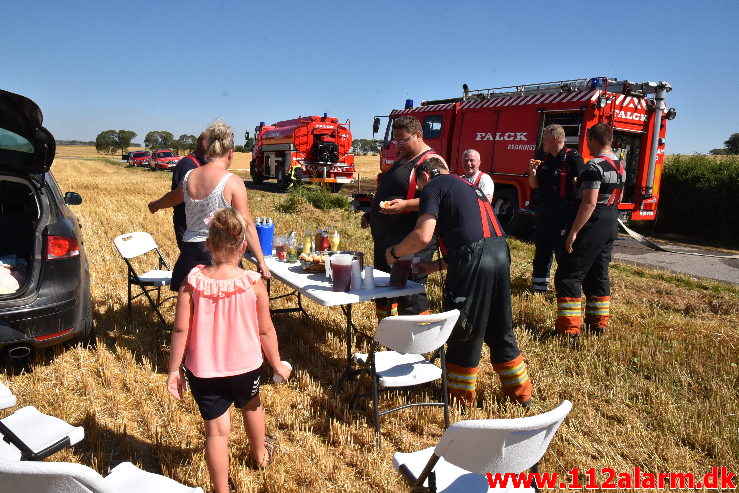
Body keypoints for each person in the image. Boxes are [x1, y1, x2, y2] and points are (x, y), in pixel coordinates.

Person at [385, 155, 532, 408]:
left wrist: (395, 253)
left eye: (419, 185)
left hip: (474, 259)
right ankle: (521, 394)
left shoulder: (433, 185)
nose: (421, 191)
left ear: (425, 176)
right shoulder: (469, 186)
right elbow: (476, 239)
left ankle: (459, 397)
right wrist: (434, 266)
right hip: (499, 253)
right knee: (500, 328)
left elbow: (422, 236)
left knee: (465, 329)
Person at [166, 208, 290, 492]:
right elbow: (265, 330)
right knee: (252, 405)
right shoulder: (254, 284)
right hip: (246, 368)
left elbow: (180, 330)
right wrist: (277, 363)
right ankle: (260, 456)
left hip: (203, 372)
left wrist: (174, 369)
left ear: (208, 243)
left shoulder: (193, 282)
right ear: (244, 247)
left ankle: (221, 489)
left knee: (217, 433)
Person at [148, 120, 270, 291]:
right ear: (230, 153)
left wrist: (154, 205)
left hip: (190, 254)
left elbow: (171, 199)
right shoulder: (233, 182)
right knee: (221, 312)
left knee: (191, 313)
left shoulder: (190, 176)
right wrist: (261, 261)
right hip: (221, 257)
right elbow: (247, 225)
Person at [553, 123, 624, 339]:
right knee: (598, 274)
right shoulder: (619, 165)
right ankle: (598, 325)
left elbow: (589, 203)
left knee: (568, 276)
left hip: (592, 222)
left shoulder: (593, 166)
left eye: (587, 141)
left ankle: (569, 330)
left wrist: (574, 232)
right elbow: (612, 194)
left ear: (593, 140)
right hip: (611, 219)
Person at [361, 116, 436, 318]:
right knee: (385, 291)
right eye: (395, 140)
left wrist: (405, 206)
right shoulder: (404, 158)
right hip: (387, 240)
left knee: (409, 295)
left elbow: (440, 199)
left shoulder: (430, 162)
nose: (398, 145)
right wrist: (372, 214)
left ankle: (418, 341)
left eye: (403, 140)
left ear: (418, 135)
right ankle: (388, 336)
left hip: (408, 241)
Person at [527, 124, 584, 293]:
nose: (542, 142)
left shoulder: (572, 158)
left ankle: (565, 290)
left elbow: (584, 187)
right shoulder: (543, 158)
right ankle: (539, 288)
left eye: (544, 138)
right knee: (542, 250)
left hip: (563, 213)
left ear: (555, 139)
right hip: (544, 212)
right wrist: (533, 172)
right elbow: (534, 185)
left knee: (563, 253)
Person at [172, 131, 209, 250]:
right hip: (187, 226)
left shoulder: (200, 163)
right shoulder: (188, 165)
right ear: (198, 143)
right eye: (207, 143)